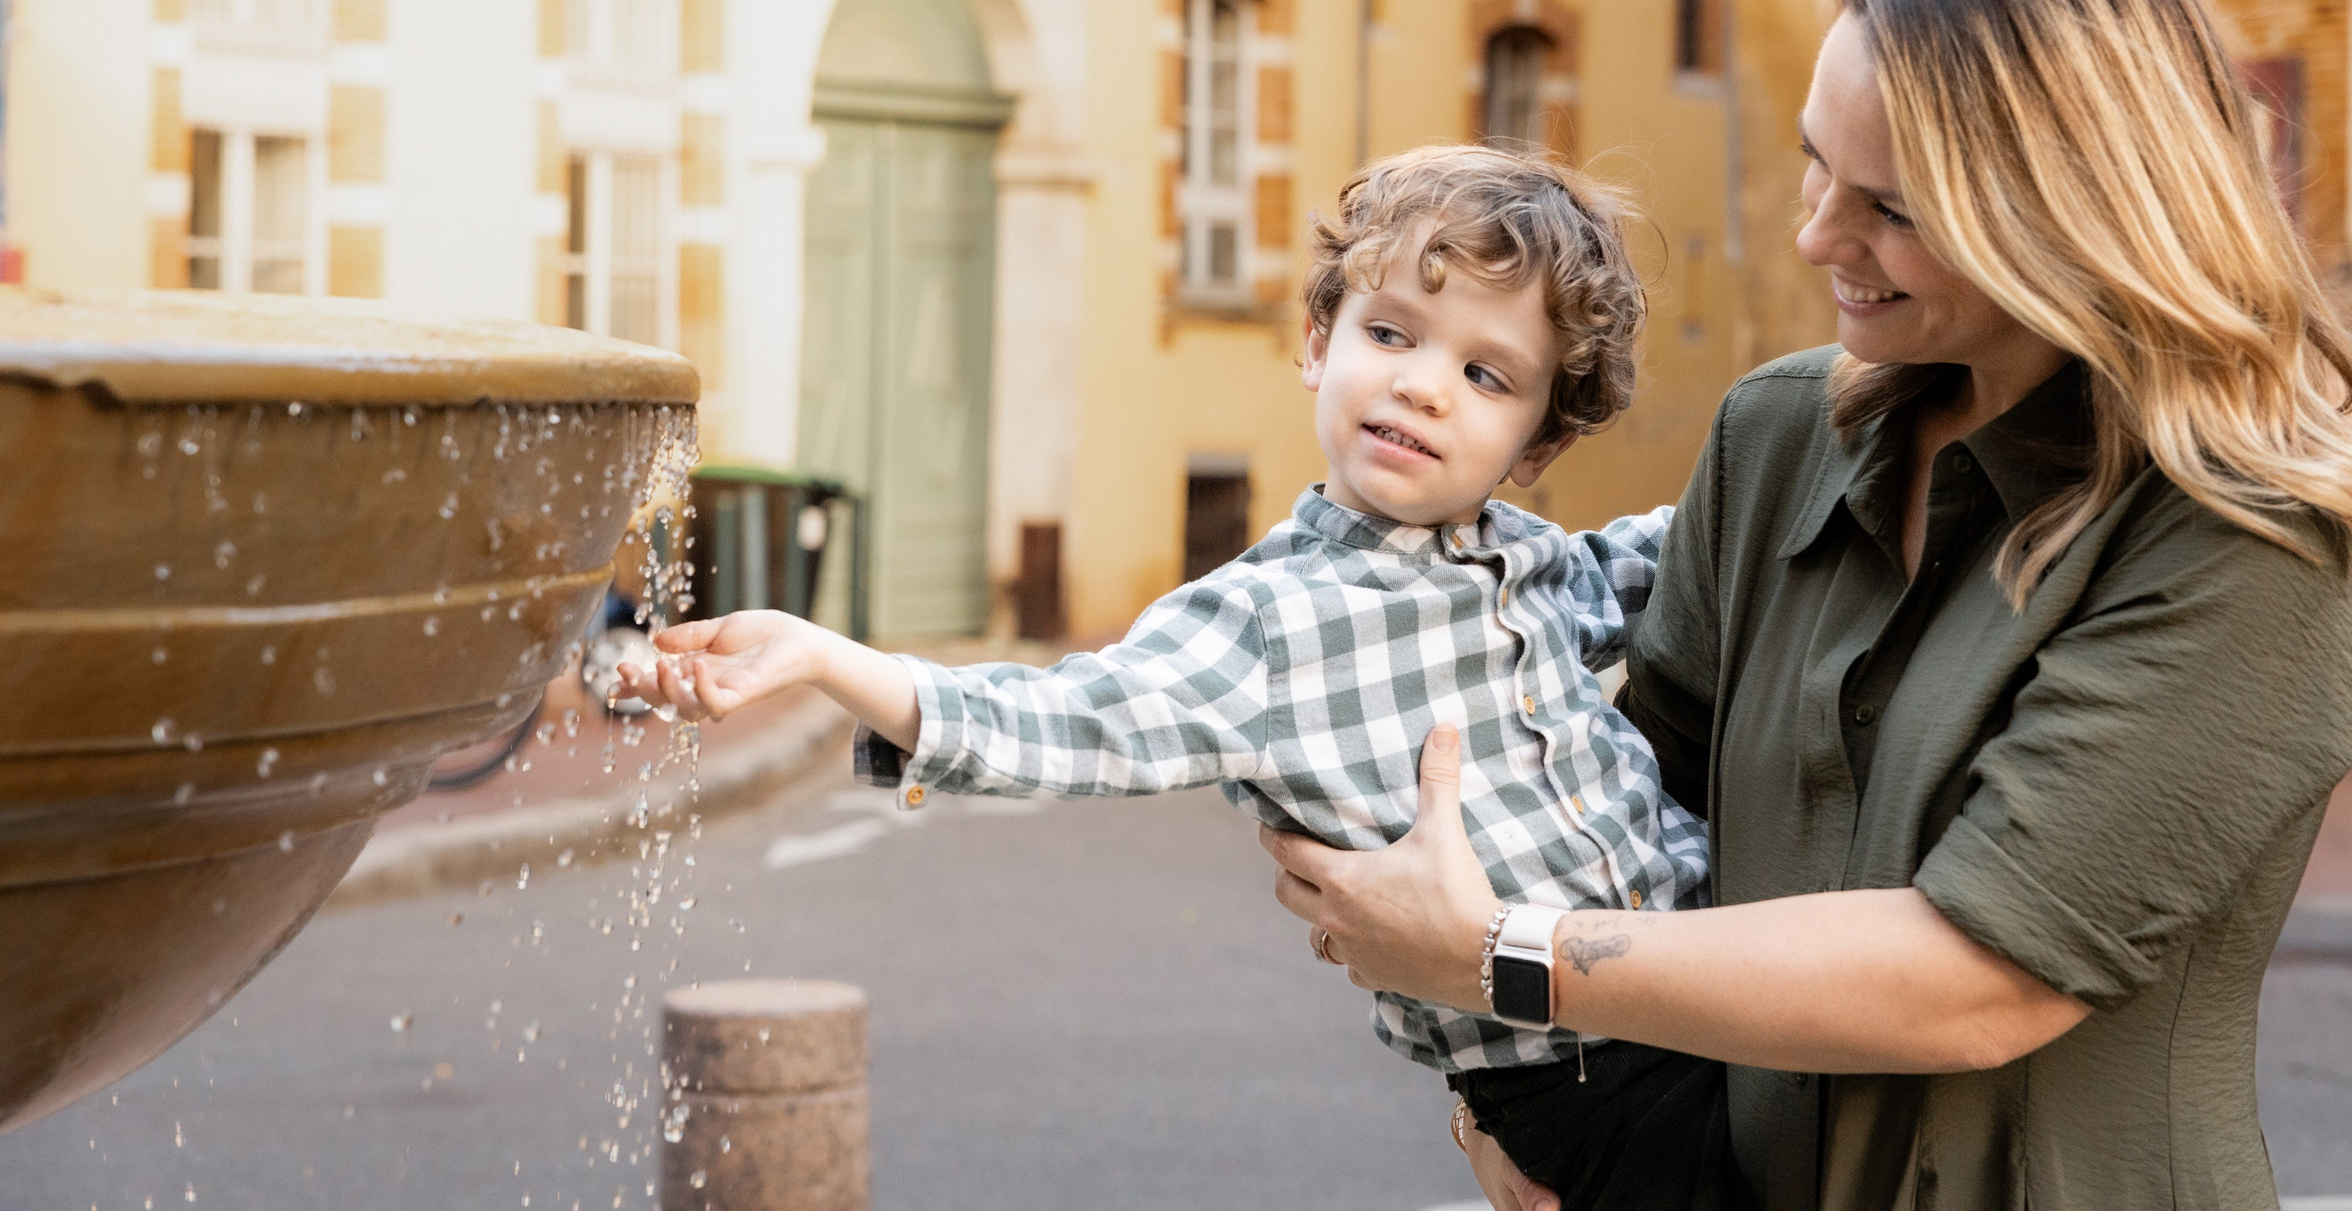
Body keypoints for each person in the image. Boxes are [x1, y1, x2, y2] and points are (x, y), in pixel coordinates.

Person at [1263, 0, 2352, 1211]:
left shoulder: (2237, 536)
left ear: (2075, 215)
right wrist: (1507, 1100)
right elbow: (1611, 805)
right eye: (1816, 162)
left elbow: (1978, 975)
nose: (1815, 236)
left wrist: (1499, 956)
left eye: (1894, 210)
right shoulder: (1781, 431)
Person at [619, 145, 1727, 1211]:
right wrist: (828, 659)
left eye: (1486, 375)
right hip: (1577, 1091)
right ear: (1316, 341)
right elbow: (1069, 716)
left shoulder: (1539, 565)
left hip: (1706, 987)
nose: (1424, 386)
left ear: (1537, 443)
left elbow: (1700, 539)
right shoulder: (1262, 622)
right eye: (1392, 332)